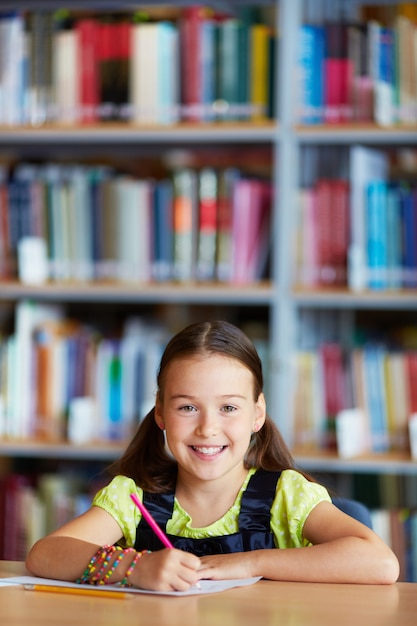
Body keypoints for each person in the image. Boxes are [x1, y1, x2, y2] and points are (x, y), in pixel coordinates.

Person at [26, 320, 399, 590]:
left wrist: (248, 563)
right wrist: (134, 567)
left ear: (257, 414)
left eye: (229, 408)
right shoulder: (132, 497)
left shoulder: (287, 495)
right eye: (187, 408)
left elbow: (380, 563)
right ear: (160, 413)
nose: (207, 429)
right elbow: (45, 554)